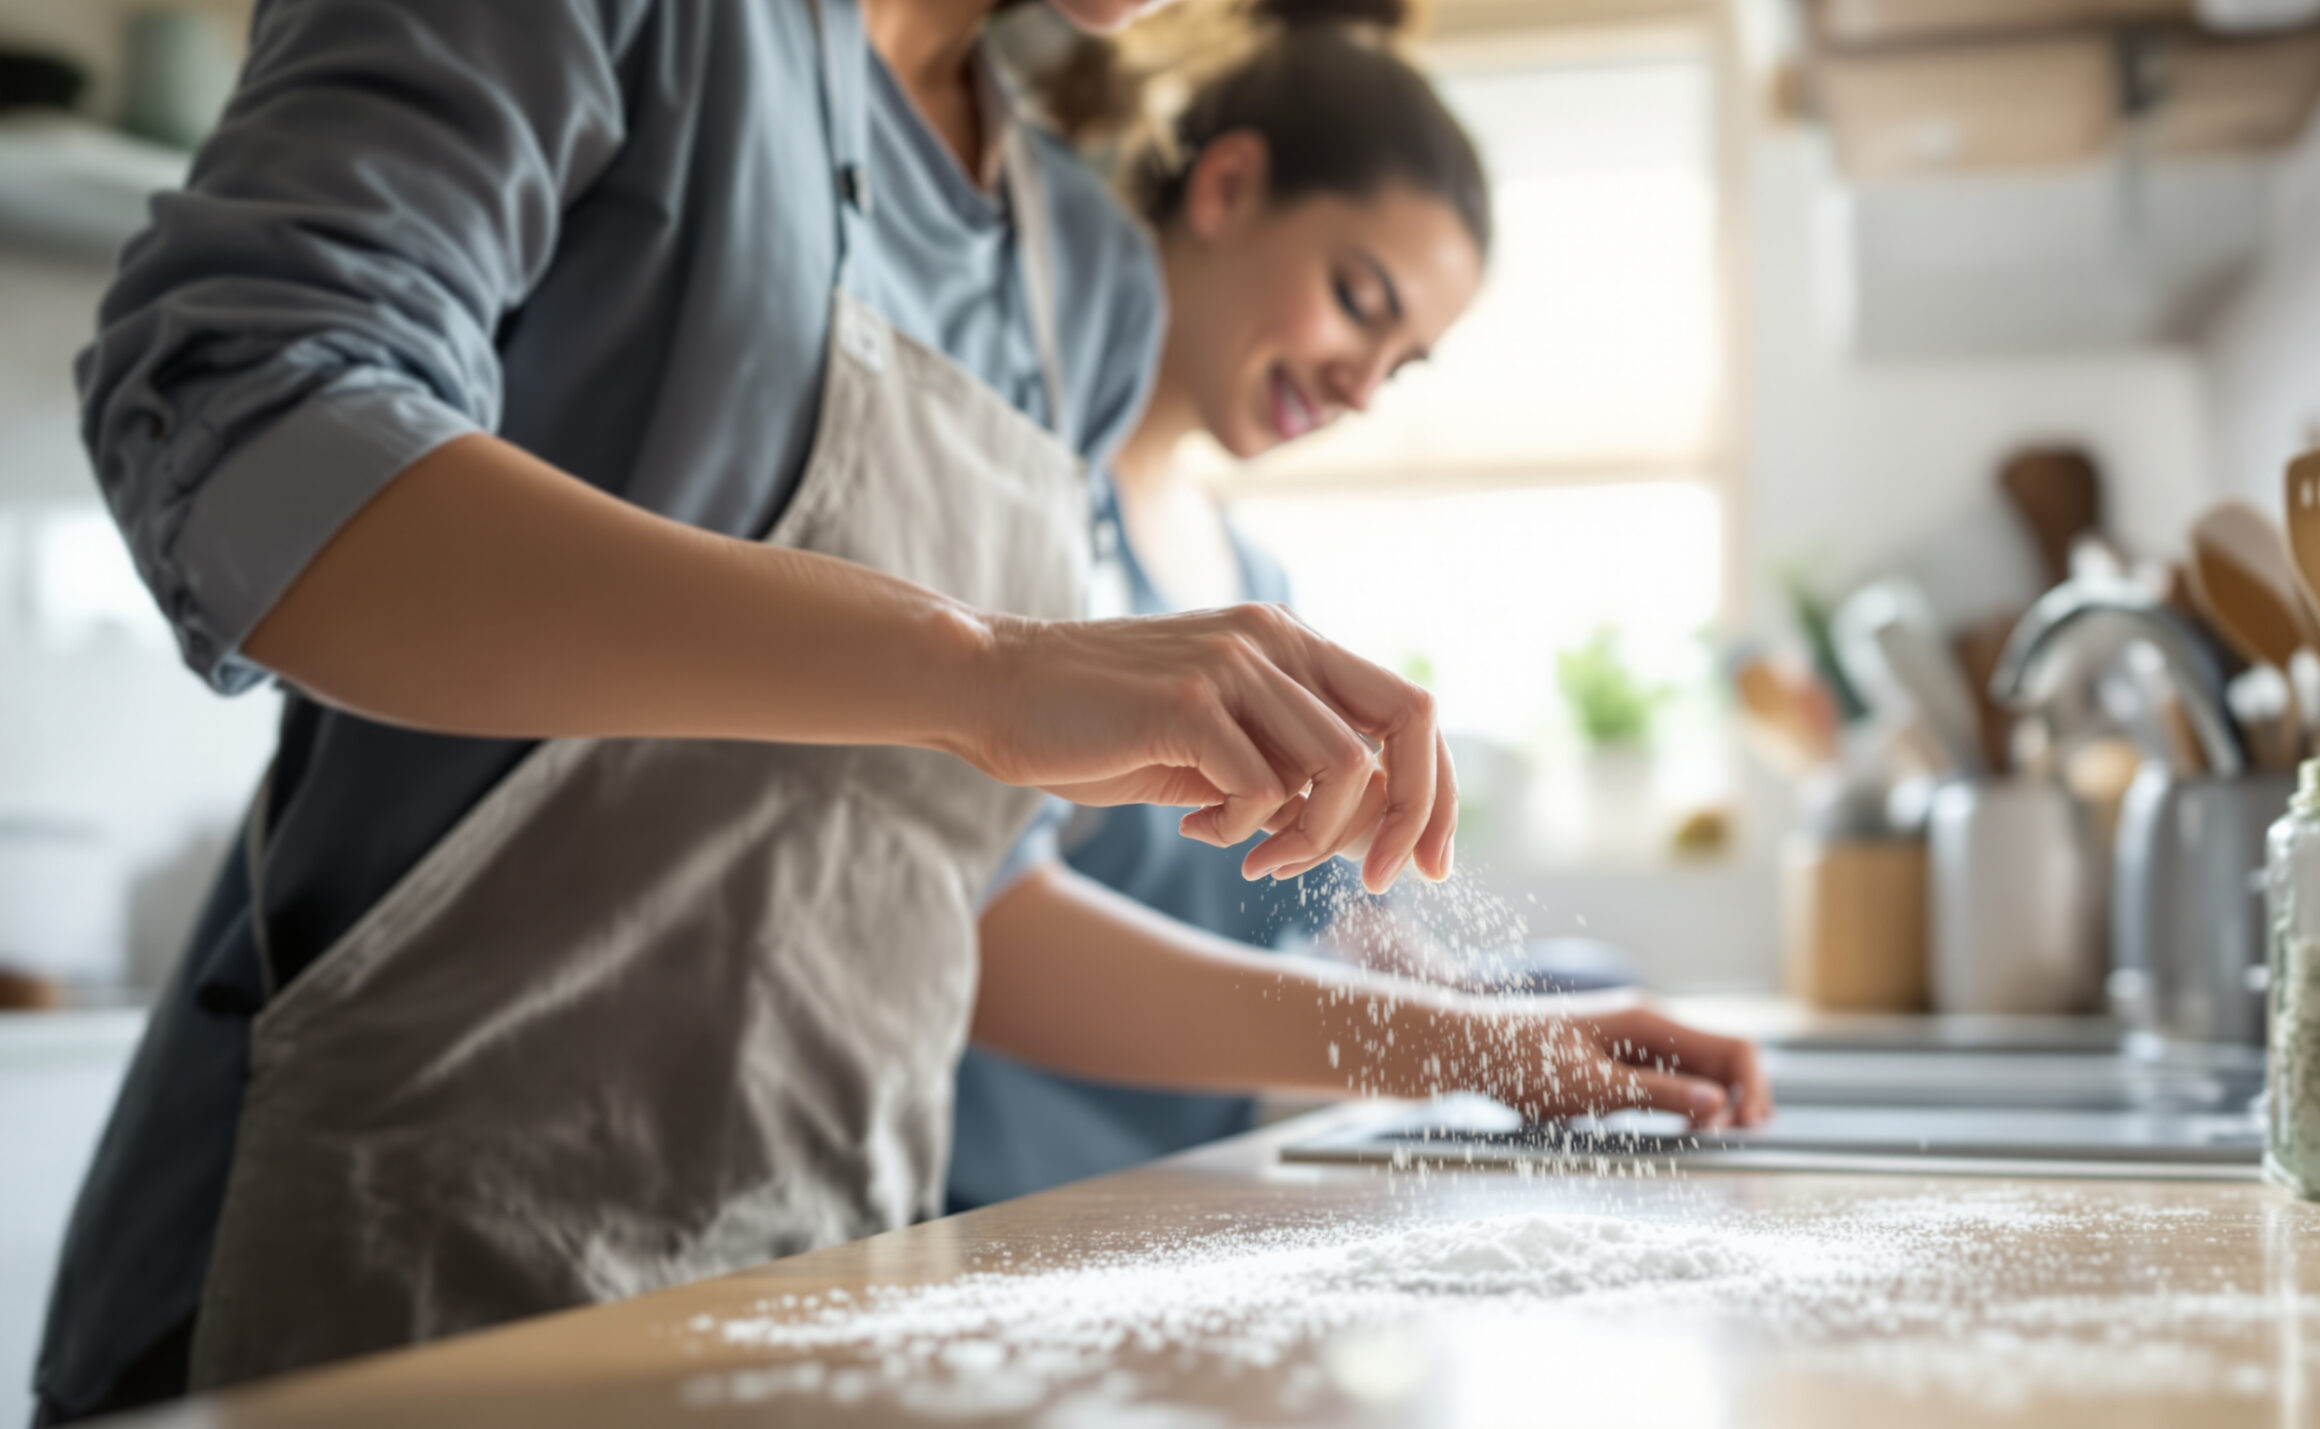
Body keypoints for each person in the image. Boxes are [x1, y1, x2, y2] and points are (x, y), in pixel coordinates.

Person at [35, 0, 1770, 1420]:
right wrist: (980, 670)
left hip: (810, 1294)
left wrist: (1469, 1054)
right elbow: (254, 426)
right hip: (387, 1276)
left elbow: (955, 908)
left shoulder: (1079, 275)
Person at [949, 0, 1492, 1211]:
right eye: (1358, 300)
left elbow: (1309, 917)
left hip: (1170, 1219)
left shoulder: (1255, 585)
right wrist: (1448, 1046)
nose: (1362, 386)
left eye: (1400, 362)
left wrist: (1491, 1015)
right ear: (1227, 188)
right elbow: (966, 922)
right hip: (977, 1215)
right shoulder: (1009, 501)